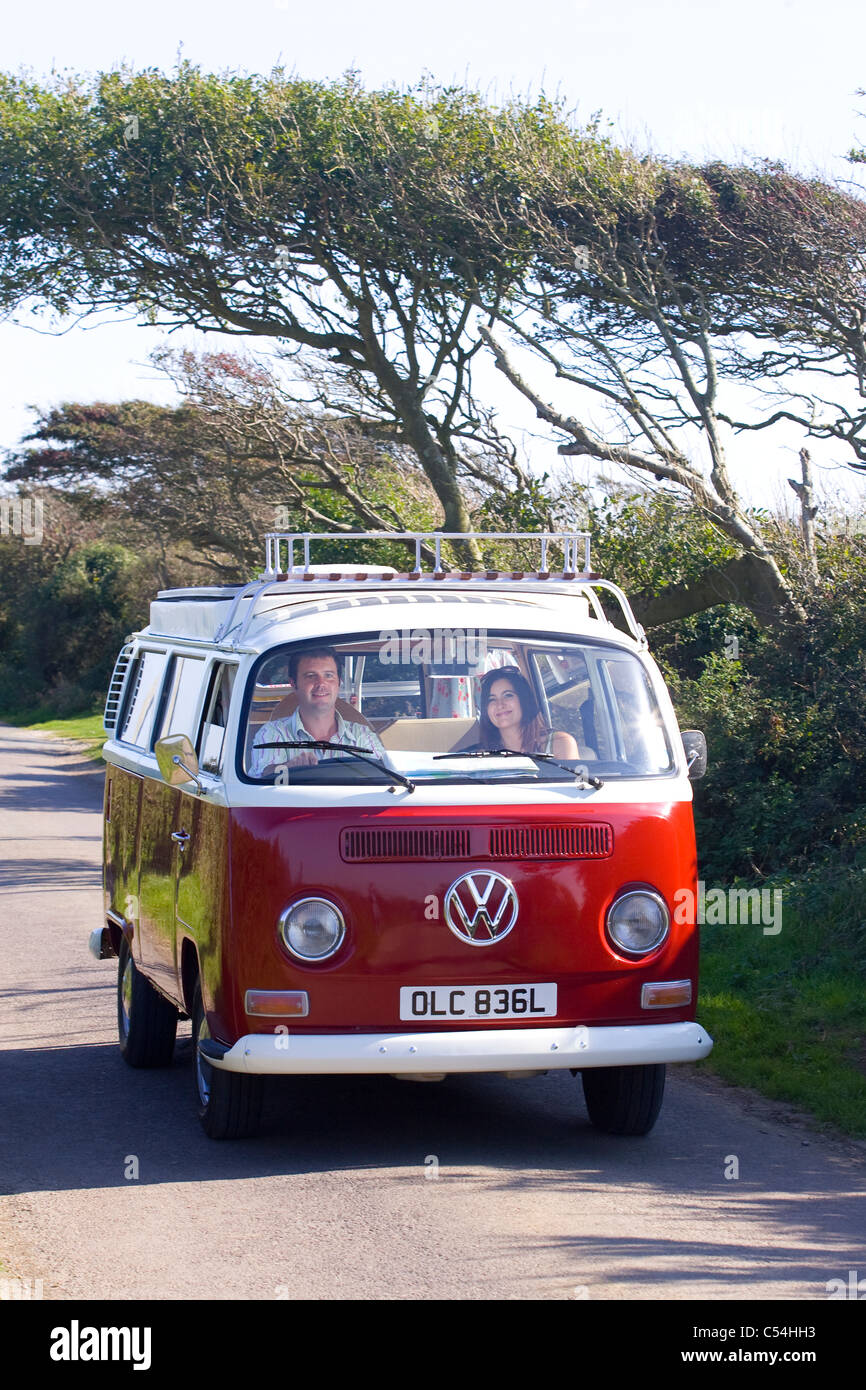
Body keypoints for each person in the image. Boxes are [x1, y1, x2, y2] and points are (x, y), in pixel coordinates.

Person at [248, 646, 388, 778]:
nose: (321, 683)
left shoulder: (362, 735)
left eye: (328, 675)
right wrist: (288, 768)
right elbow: (262, 775)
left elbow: (387, 775)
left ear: (338, 682)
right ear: (293, 683)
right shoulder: (272, 733)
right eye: (310, 676)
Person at [477, 667, 579, 759]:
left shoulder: (560, 744)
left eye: (508, 695)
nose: (500, 705)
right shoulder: (481, 757)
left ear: (524, 700)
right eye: (492, 699)